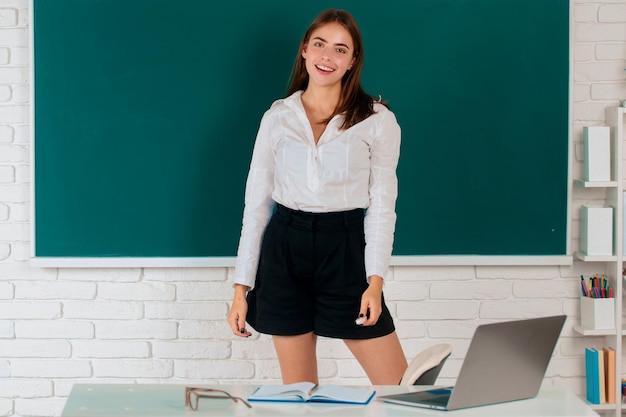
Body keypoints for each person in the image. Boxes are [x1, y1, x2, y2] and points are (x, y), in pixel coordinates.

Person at [227, 8, 407, 385]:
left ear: (352, 61)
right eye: (320, 45)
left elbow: (382, 208)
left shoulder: (377, 121)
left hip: (343, 248)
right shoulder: (277, 117)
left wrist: (375, 282)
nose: (328, 56)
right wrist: (241, 289)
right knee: (299, 394)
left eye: (341, 50)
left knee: (398, 386)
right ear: (305, 50)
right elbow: (257, 207)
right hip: (284, 248)